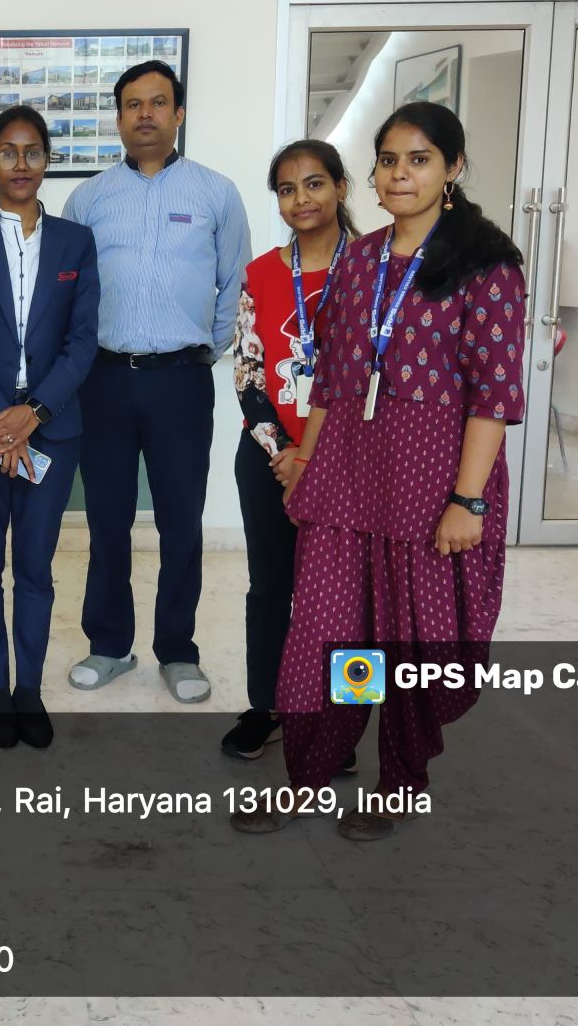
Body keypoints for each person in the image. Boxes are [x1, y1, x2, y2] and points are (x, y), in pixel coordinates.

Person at [234, 101, 526, 840]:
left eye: (419, 160)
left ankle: (399, 782)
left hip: (430, 486)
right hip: (347, 480)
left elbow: (493, 396)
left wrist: (468, 501)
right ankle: (307, 777)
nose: (400, 175)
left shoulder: (487, 264)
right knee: (332, 636)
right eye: (389, 160)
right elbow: (332, 381)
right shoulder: (360, 260)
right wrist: (308, 464)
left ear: (453, 168)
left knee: (408, 647)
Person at [61, 59, 250, 705]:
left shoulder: (216, 193)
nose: (145, 114)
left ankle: (178, 651)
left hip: (180, 383)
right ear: (118, 118)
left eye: (158, 102)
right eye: (133, 104)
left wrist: (202, 351)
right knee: (107, 519)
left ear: (179, 113)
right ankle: (109, 645)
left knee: (180, 521)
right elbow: (71, 294)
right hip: (104, 381)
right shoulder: (88, 199)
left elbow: (235, 285)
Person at [0, 107, 100, 751]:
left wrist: (33, 413)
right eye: (7, 152)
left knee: (35, 567)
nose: (20, 164)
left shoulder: (75, 242)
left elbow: (82, 341)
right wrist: (0, 421)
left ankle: (29, 688)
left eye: (32, 151)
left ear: (47, 161)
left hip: (52, 429)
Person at [224, 140, 358, 762]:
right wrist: (283, 450)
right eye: (286, 189)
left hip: (350, 461)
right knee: (270, 588)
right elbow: (248, 373)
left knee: (349, 599)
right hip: (268, 458)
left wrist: (316, 456)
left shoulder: (375, 269)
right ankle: (267, 706)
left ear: (340, 187)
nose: (301, 199)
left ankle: (343, 723)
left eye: (314, 183)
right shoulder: (260, 273)